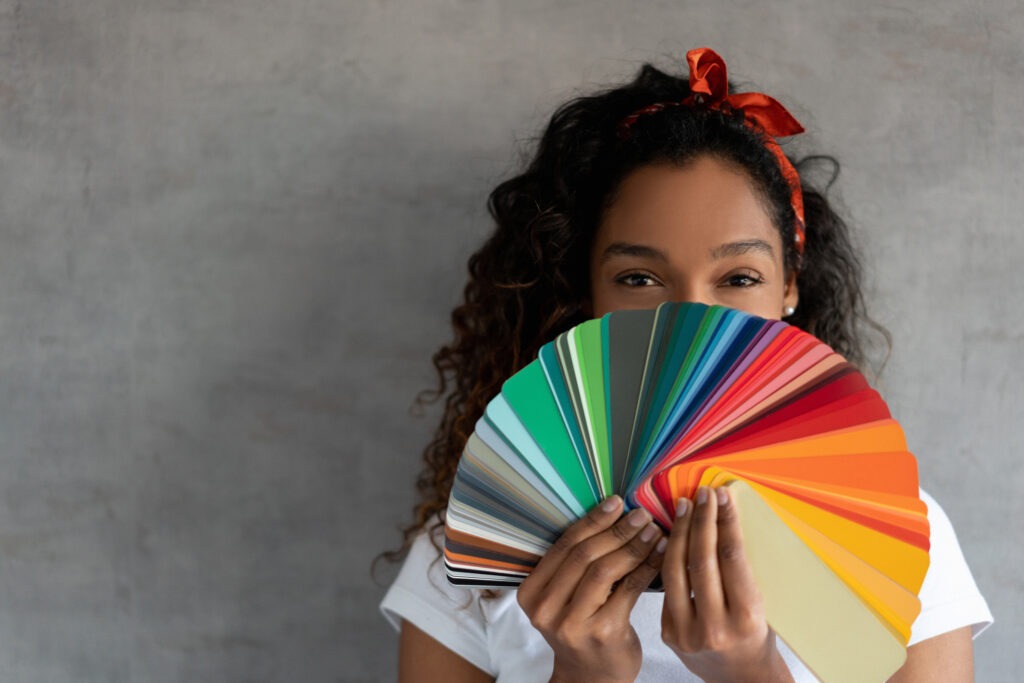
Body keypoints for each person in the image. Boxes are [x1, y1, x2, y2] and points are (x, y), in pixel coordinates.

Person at [379, 48, 992, 682]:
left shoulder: (895, 537)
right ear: (587, 293)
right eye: (639, 277)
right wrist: (584, 675)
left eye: (739, 276)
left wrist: (752, 673)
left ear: (789, 288)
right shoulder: (466, 556)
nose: (690, 317)